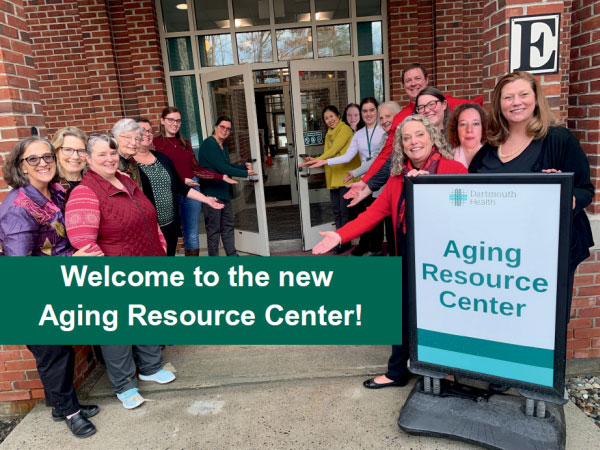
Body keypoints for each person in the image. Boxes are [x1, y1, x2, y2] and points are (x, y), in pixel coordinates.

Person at [313, 115, 467, 388]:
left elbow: (464, 213)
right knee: (402, 311)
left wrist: (429, 187)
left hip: (443, 255)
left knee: (441, 313)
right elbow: (374, 213)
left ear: (432, 137)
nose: (413, 142)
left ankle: (446, 371)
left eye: (419, 135)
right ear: (401, 146)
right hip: (407, 250)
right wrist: (340, 234)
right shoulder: (397, 178)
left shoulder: (453, 169)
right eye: (406, 138)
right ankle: (397, 372)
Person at [470, 71, 594, 319]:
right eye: (508, 98)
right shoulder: (489, 149)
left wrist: (566, 198)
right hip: (499, 257)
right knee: (503, 318)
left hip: (546, 256)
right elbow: (471, 193)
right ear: (499, 105)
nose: (516, 102)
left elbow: (585, 190)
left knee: (542, 323)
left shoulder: (558, 139)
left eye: (523, 94)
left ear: (536, 99)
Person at [0, 137, 102, 438]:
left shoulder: (56, 191)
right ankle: (70, 413)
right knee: (53, 354)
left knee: (62, 351)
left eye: (47, 157)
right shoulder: (17, 208)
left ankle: (61, 405)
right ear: (21, 166)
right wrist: (74, 259)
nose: (43, 163)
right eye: (33, 159)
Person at [133, 117, 226, 256]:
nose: (147, 134)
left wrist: (206, 200)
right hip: (146, 227)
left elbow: (180, 186)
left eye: (149, 131)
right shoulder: (127, 164)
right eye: (142, 131)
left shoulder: (162, 159)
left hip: (169, 224)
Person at [65, 133, 166, 256]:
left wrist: (162, 247)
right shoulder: (84, 193)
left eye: (113, 153)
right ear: (88, 158)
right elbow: (85, 245)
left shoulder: (127, 180)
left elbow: (150, 218)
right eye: (102, 154)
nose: (110, 159)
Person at [308, 98, 385, 256]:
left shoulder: (383, 130)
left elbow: (380, 158)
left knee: (381, 214)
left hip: (382, 177)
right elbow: (347, 156)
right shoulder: (358, 134)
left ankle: (378, 248)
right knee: (365, 214)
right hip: (364, 179)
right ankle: (368, 246)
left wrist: (323, 160)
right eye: (365, 111)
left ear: (377, 111)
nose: (368, 114)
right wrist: (325, 161)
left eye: (371, 110)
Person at [153, 107, 233, 256]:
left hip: (193, 190)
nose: (175, 124)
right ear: (162, 121)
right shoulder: (154, 144)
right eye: (171, 120)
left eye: (178, 120)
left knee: (192, 234)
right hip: (169, 191)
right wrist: (182, 180)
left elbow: (196, 168)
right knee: (169, 233)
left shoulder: (185, 143)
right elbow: (156, 172)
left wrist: (220, 176)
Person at [300, 106, 361, 254]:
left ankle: (344, 241)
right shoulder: (329, 133)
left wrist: (316, 161)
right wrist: (316, 159)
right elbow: (329, 153)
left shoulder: (344, 129)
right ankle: (339, 239)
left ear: (339, 116)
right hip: (334, 177)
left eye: (332, 116)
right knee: (337, 212)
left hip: (346, 177)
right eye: (326, 118)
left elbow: (333, 151)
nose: (330, 120)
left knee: (344, 212)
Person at [196, 116, 256, 256]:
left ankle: (233, 257)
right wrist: (245, 173)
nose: (225, 130)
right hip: (212, 193)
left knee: (228, 227)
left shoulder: (223, 146)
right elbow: (221, 168)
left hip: (223, 192)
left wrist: (243, 167)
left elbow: (226, 166)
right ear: (216, 127)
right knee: (214, 230)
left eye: (228, 128)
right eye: (222, 127)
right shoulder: (209, 144)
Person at [446, 103, 487, 168]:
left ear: (483, 127)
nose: (469, 130)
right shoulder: (447, 160)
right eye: (463, 124)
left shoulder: (494, 157)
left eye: (475, 123)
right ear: (456, 129)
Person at [50, 127, 88, 192]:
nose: (75, 157)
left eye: (81, 150)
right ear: (56, 152)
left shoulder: (95, 181)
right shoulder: (50, 186)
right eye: (68, 150)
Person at [112, 118, 143, 187]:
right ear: (115, 138)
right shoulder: (109, 164)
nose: (134, 143)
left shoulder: (132, 161)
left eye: (137, 139)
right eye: (128, 137)